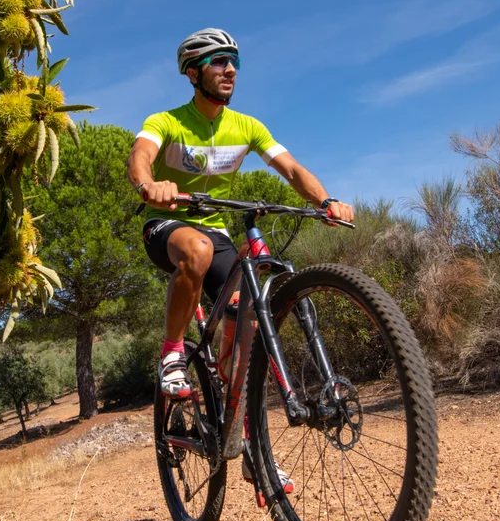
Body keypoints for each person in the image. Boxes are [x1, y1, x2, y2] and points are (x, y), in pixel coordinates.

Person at [126, 28, 356, 491]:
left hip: (215, 232)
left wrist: (324, 200)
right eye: (218, 61)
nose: (230, 69)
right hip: (167, 225)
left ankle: (251, 447)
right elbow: (140, 156)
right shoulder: (166, 121)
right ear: (194, 73)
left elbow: (289, 168)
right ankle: (172, 354)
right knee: (198, 248)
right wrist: (150, 184)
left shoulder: (247, 126)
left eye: (233, 61)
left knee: (247, 329)